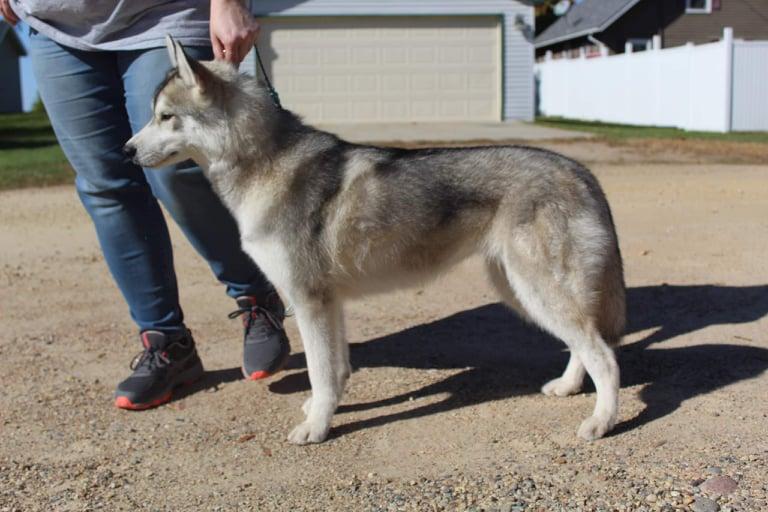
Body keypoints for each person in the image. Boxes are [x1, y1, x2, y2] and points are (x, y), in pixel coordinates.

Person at [1, 0, 291, 410]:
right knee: (105, 186)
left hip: (163, 12)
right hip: (55, 22)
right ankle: (167, 344)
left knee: (175, 171)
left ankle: (256, 298)